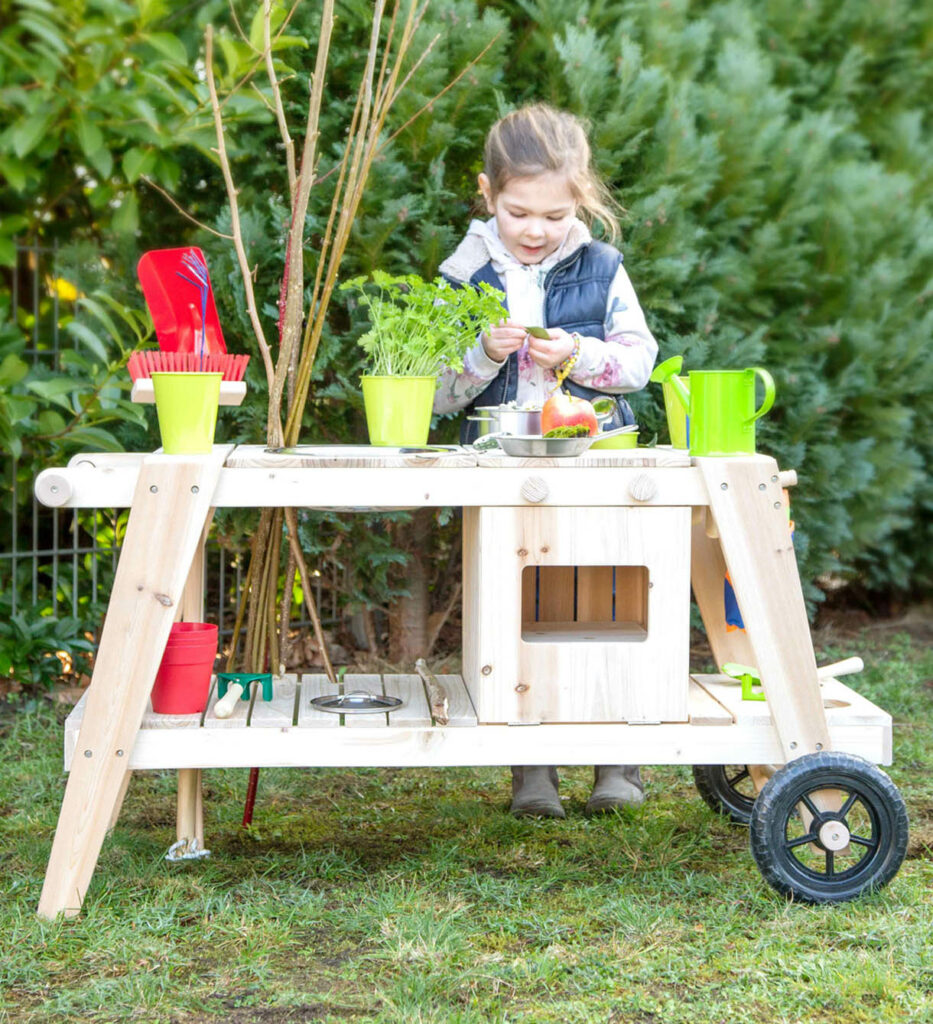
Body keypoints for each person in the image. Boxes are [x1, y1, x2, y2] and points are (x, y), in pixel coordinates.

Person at [434, 103, 659, 818]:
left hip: (594, 463)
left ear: (580, 198)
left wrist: (581, 353)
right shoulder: (465, 269)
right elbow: (437, 393)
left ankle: (616, 759)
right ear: (487, 193)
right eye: (518, 212)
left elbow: (638, 364)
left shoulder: (602, 266)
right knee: (519, 604)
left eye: (554, 215)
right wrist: (479, 355)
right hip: (502, 469)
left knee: (608, 596)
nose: (535, 230)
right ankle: (531, 765)